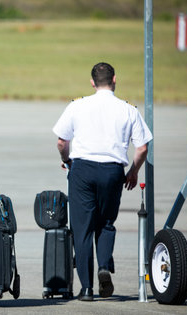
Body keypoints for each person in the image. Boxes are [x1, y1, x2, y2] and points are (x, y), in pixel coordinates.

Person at [53, 62, 153, 302]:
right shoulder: (128, 109)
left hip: (83, 170)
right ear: (114, 80)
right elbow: (142, 148)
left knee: (82, 229)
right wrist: (133, 171)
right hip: (112, 171)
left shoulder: (77, 105)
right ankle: (104, 266)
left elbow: (61, 141)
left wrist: (66, 160)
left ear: (92, 82)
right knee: (106, 223)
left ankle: (86, 288)